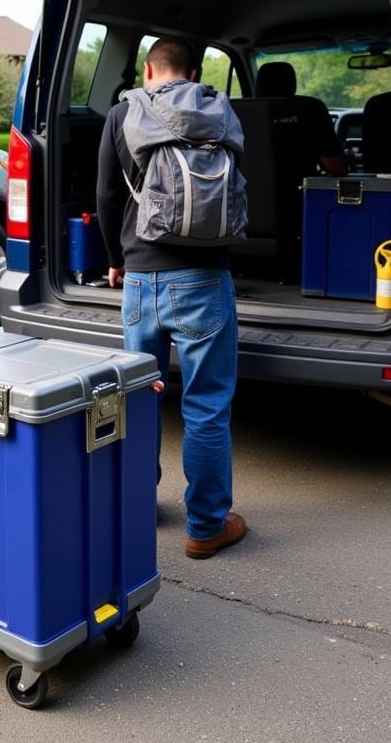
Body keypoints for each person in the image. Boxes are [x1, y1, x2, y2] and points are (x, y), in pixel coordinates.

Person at [96, 36, 246, 560]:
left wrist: (116, 258)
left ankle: (138, 503)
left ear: (147, 69)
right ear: (195, 70)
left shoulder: (123, 115)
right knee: (206, 405)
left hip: (140, 277)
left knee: (140, 399)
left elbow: (108, 196)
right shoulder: (219, 109)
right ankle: (205, 526)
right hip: (205, 278)